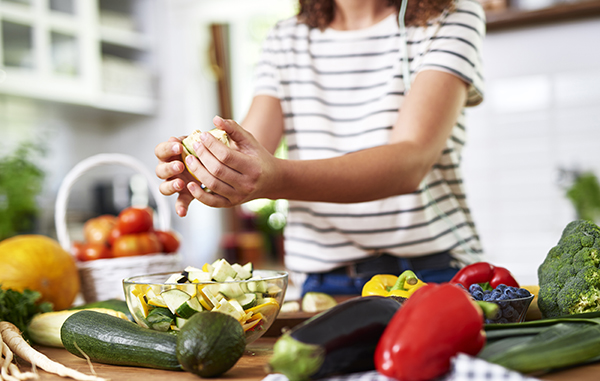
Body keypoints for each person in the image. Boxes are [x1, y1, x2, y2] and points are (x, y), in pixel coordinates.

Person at [155, 0, 487, 296]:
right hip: (323, 284)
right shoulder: (286, 38)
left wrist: (275, 178)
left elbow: (411, 161)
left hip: (436, 274)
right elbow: (247, 153)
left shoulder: (453, 15)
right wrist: (205, 164)